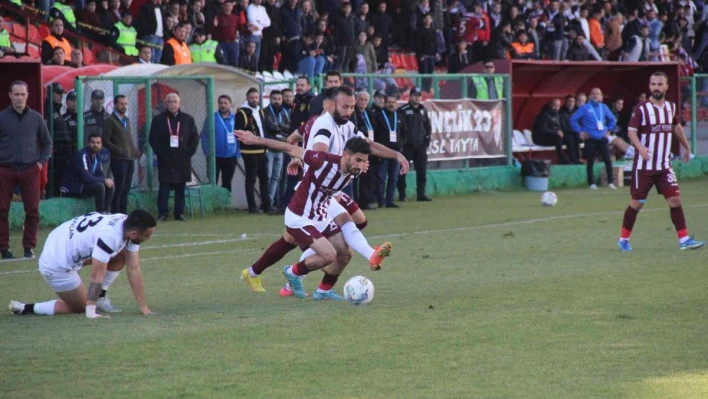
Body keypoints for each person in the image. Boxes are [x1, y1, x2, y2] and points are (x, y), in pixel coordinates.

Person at [241, 86, 409, 296]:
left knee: (338, 247)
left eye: (351, 107)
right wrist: (256, 140)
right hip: (307, 199)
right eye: (345, 106)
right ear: (330, 104)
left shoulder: (347, 128)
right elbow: (299, 149)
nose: (349, 111)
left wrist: (395, 155)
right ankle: (293, 277)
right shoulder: (323, 127)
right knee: (334, 244)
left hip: (323, 200)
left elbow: (367, 145)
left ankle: (262, 274)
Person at [235, 131, 392, 300]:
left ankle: (323, 291)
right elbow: (288, 147)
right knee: (329, 254)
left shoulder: (355, 169)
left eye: (364, 162)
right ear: (346, 155)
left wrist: (396, 155)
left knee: (345, 254)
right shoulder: (322, 160)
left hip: (321, 215)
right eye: (358, 160)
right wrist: (255, 140)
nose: (360, 166)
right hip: (299, 216)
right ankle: (292, 272)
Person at [9, 210, 156, 317]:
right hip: (56, 262)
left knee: (121, 255)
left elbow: (134, 268)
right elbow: (96, 275)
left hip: (61, 239)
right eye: (147, 235)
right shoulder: (110, 237)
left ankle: (100, 297)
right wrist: (91, 310)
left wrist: (143, 306)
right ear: (134, 234)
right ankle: (25, 308)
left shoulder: (125, 223)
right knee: (79, 307)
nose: (149, 238)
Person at [618, 72, 705, 252]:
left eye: (659, 84)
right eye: (653, 84)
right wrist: (640, 148)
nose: (656, 88)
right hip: (644, 167)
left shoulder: (671, 108)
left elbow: (676, 127)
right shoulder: (641, 109)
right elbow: (631, 132)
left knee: (675, 201)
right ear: (649, 86)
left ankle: (684, 240)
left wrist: (687, 148)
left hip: (664, 166)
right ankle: (624, 239)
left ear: (666, 87)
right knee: (637, 203)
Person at [0, 80, 52, 259]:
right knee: (1, 209)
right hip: (4, 170)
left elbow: (47, 143)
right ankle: (3, 249)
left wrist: (40, 163)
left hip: (30, 169)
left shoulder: (36, 118)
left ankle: (29, 248)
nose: (19, 98)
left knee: (32, 211)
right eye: (16, 94)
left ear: (27, 95)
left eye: (22, 94)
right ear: (10, 96)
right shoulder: (2, 118)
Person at [148, 93, 200, 221]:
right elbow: (153, 139)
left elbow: (194, 138)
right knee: (164, 186)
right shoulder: (158, 119)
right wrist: (161, 153)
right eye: (169, 102)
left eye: (175, 102)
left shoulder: (188, 119)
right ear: (166, 104)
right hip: (165, 159)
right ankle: (162, 213)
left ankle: (179, 213)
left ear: (179, 103)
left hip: (182, 159)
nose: (172, 104)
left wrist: (188, 153)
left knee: (180, 187)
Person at [570, 88, 617, 189]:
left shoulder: (603, 107)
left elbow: (613, 119)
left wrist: (609, 130)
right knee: (590, 160)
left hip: (602, 137)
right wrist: (580, 131)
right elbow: (573, 120)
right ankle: (591, 183)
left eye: (598, 94)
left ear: (601, 96)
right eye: (593, 94)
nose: (596, 96)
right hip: (590, 138)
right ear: (589, 96)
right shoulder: (584, 108)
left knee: (607, 160)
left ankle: (611, 182)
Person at [235, 87, 271, 213]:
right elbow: (237, 132)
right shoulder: (242, 113)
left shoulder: (261, 111)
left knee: (265, 179)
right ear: (247, 98)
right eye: (252, 97)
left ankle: (267, 206)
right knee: (251, 180)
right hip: (249, 152)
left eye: (256, 97)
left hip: (262, 150)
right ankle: (252, 207)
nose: (254, 100)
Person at [59, 133, 115, 213]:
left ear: (101, 145)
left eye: (98, 143)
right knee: (100, 186)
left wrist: (105, 180)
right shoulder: (82, 155)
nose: (95, 145)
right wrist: (104, 180)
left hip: (84, 185)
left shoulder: (97, 156)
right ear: (88, 143)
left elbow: (101, 174)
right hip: (72, 187)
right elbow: (86, 177)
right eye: (93, 142)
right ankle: (100, 214)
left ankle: (107, 212)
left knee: (110, 185)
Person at [102, 95, 139, 214]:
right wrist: (118, 150)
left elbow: (128, 138)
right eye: (122, 104)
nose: (124, 106)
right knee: (119, 187)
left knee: (126, 188)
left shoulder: (126, 120)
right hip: (118, 159)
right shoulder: (110, 120)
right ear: (116, 105)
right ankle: (115, 212)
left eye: (126, 104)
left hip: (129, 158)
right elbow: (105, 140)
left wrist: (133, 151)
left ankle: (124, 213)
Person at [397, 88, 432, 202]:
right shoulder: (403, 110)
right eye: (415, 95)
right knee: (402, 171)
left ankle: (421, 194)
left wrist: (426, 141)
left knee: (422, 171)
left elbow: (428, 128)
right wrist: (402, 142)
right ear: (410, 96)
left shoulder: (423, 111)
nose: (417, 98)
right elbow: (400, 128)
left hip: (420, 147)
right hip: (407, 147)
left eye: (419, 95)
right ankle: (402, 195)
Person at [201, 94, 239, 193]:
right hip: (215, 155)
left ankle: (224, 204)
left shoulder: (235, 118)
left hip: (230, 156)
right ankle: (211, 204)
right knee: (213, 181)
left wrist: (237, 153)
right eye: (221, 103)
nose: (223, 105)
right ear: (218, 104)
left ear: (230, 105)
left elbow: (239, 137)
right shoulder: (212, 118)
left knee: (227, 181)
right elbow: (204, 134)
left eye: (225, 103)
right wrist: (207, 152)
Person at [374, 94, 406, 208]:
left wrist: (401, 145)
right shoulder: (378, 115)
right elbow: (376, 133)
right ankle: (380, 201)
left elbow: (404, 132)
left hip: (396, 152)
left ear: (396, 104)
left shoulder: (400, 116)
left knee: (394, 177)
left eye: (393, 102)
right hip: (383, 152)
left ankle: (390, 200)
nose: (391, 104)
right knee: (381, 177)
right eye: (389, 102)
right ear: (385, 103)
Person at [262, 90, 290, 210]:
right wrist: (281, 128)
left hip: (281, 148)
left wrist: (279, 127)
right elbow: (270, 127)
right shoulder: (265, 112)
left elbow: (289, 127)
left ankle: (271, 202)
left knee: (276, 178)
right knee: (267, 177)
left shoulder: (284, 112)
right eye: (275, 99)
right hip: (269, 148)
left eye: (279, 99)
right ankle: (266, 202)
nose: (277, 101)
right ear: (270, 99)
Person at [533, 98, 580, 164]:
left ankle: (574, 160)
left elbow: (558, 126)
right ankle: (561, 159)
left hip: (552, 137)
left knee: (569, 137)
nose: (556, 108)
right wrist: (556, 132)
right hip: (541, 139)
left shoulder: (557, 114)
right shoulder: (544, 115)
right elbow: (542, 130)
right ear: (550, 105)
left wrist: (560, 131)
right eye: (554, 105)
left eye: (558, 106)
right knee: (558, 137)